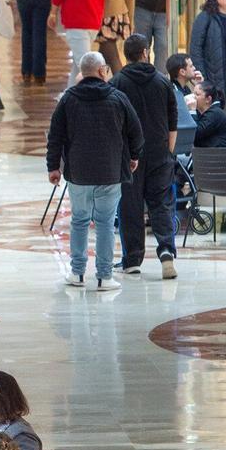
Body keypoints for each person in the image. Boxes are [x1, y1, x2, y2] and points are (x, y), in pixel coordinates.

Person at [47, 52, 143, 292]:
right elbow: (136, 132)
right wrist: (133, 156)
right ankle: (104, 276)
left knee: (79, 221)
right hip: (110, 171)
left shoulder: (68, 99)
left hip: (78, 173)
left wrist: (53, 167)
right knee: (105, 223)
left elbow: (55, 136)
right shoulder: (118, 98)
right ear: (102, 71)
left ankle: (78, 273)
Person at [110, 34, 179, 280]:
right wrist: (168, 152)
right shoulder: (163, 82)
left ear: (126, 55)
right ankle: (167, 252)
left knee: (130, 206)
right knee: (161, 204)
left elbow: (114, 122)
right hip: (160, 152)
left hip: (130, 156)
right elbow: (173, 122)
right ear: (145, 52)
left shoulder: (117, 83)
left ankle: (132, 260)